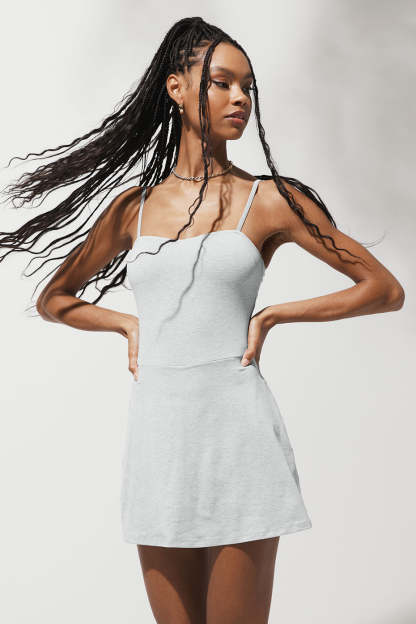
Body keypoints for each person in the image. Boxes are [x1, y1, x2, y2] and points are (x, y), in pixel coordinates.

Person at [1, 16, 405, 624]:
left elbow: (384, 289)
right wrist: (126, 324)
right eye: (222, 83)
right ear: (177, 88)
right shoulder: (133, 209)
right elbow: (54, 298)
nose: (240, 98)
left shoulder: (269, 200)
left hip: (239, 438)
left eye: (249, 87)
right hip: (159, 443)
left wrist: (274, 315)